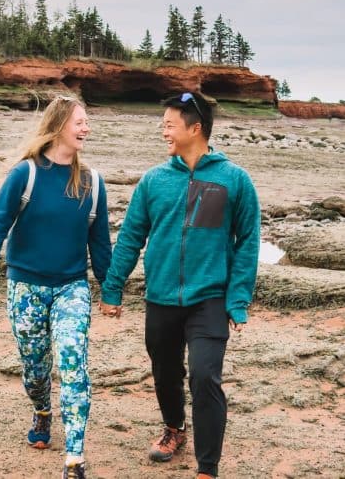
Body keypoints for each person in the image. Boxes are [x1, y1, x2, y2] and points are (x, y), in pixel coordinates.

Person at [99, 92, 260, 479]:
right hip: (162, 297)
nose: (163, 131)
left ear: (195, 128)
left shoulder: (233, 179)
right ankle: (174, 428)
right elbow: (131, 236)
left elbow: (248, 242)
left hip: (209, 298)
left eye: (170, 125)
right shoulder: (154, 180)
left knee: (205, 376)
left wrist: (237, 300)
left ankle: (208, 468)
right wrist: (112, 288)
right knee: (165, 372)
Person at [0, 95, 112, 479]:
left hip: (72, 287)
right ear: (58, 126)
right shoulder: (26, 174)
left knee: (73, 364)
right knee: (35, 369)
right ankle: (41, 410)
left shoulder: (93, 183)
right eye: (79, 122)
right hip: (26, 287)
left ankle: (74, 457)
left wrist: (110, 289)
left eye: (87, 122)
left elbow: (100, 245)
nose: (86, 128)